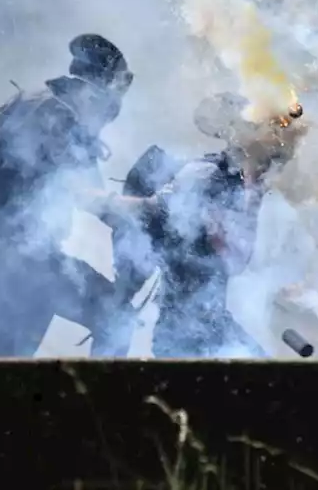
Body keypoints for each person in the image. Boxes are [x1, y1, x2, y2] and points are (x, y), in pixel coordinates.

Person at [0, 33, 136, 358]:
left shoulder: (36, 102)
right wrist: (145, 210)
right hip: (23, 260)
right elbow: (84, 193)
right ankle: (106, 406)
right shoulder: (60, 118)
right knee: (115, 316)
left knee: (3, 363)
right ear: (94, 93)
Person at [94, 92, 299, 358]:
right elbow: (153, 210)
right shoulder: (207, 173)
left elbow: (237, 259)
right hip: (185, 335)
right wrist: (98, 199)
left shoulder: (246, 186)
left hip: (209, 326)